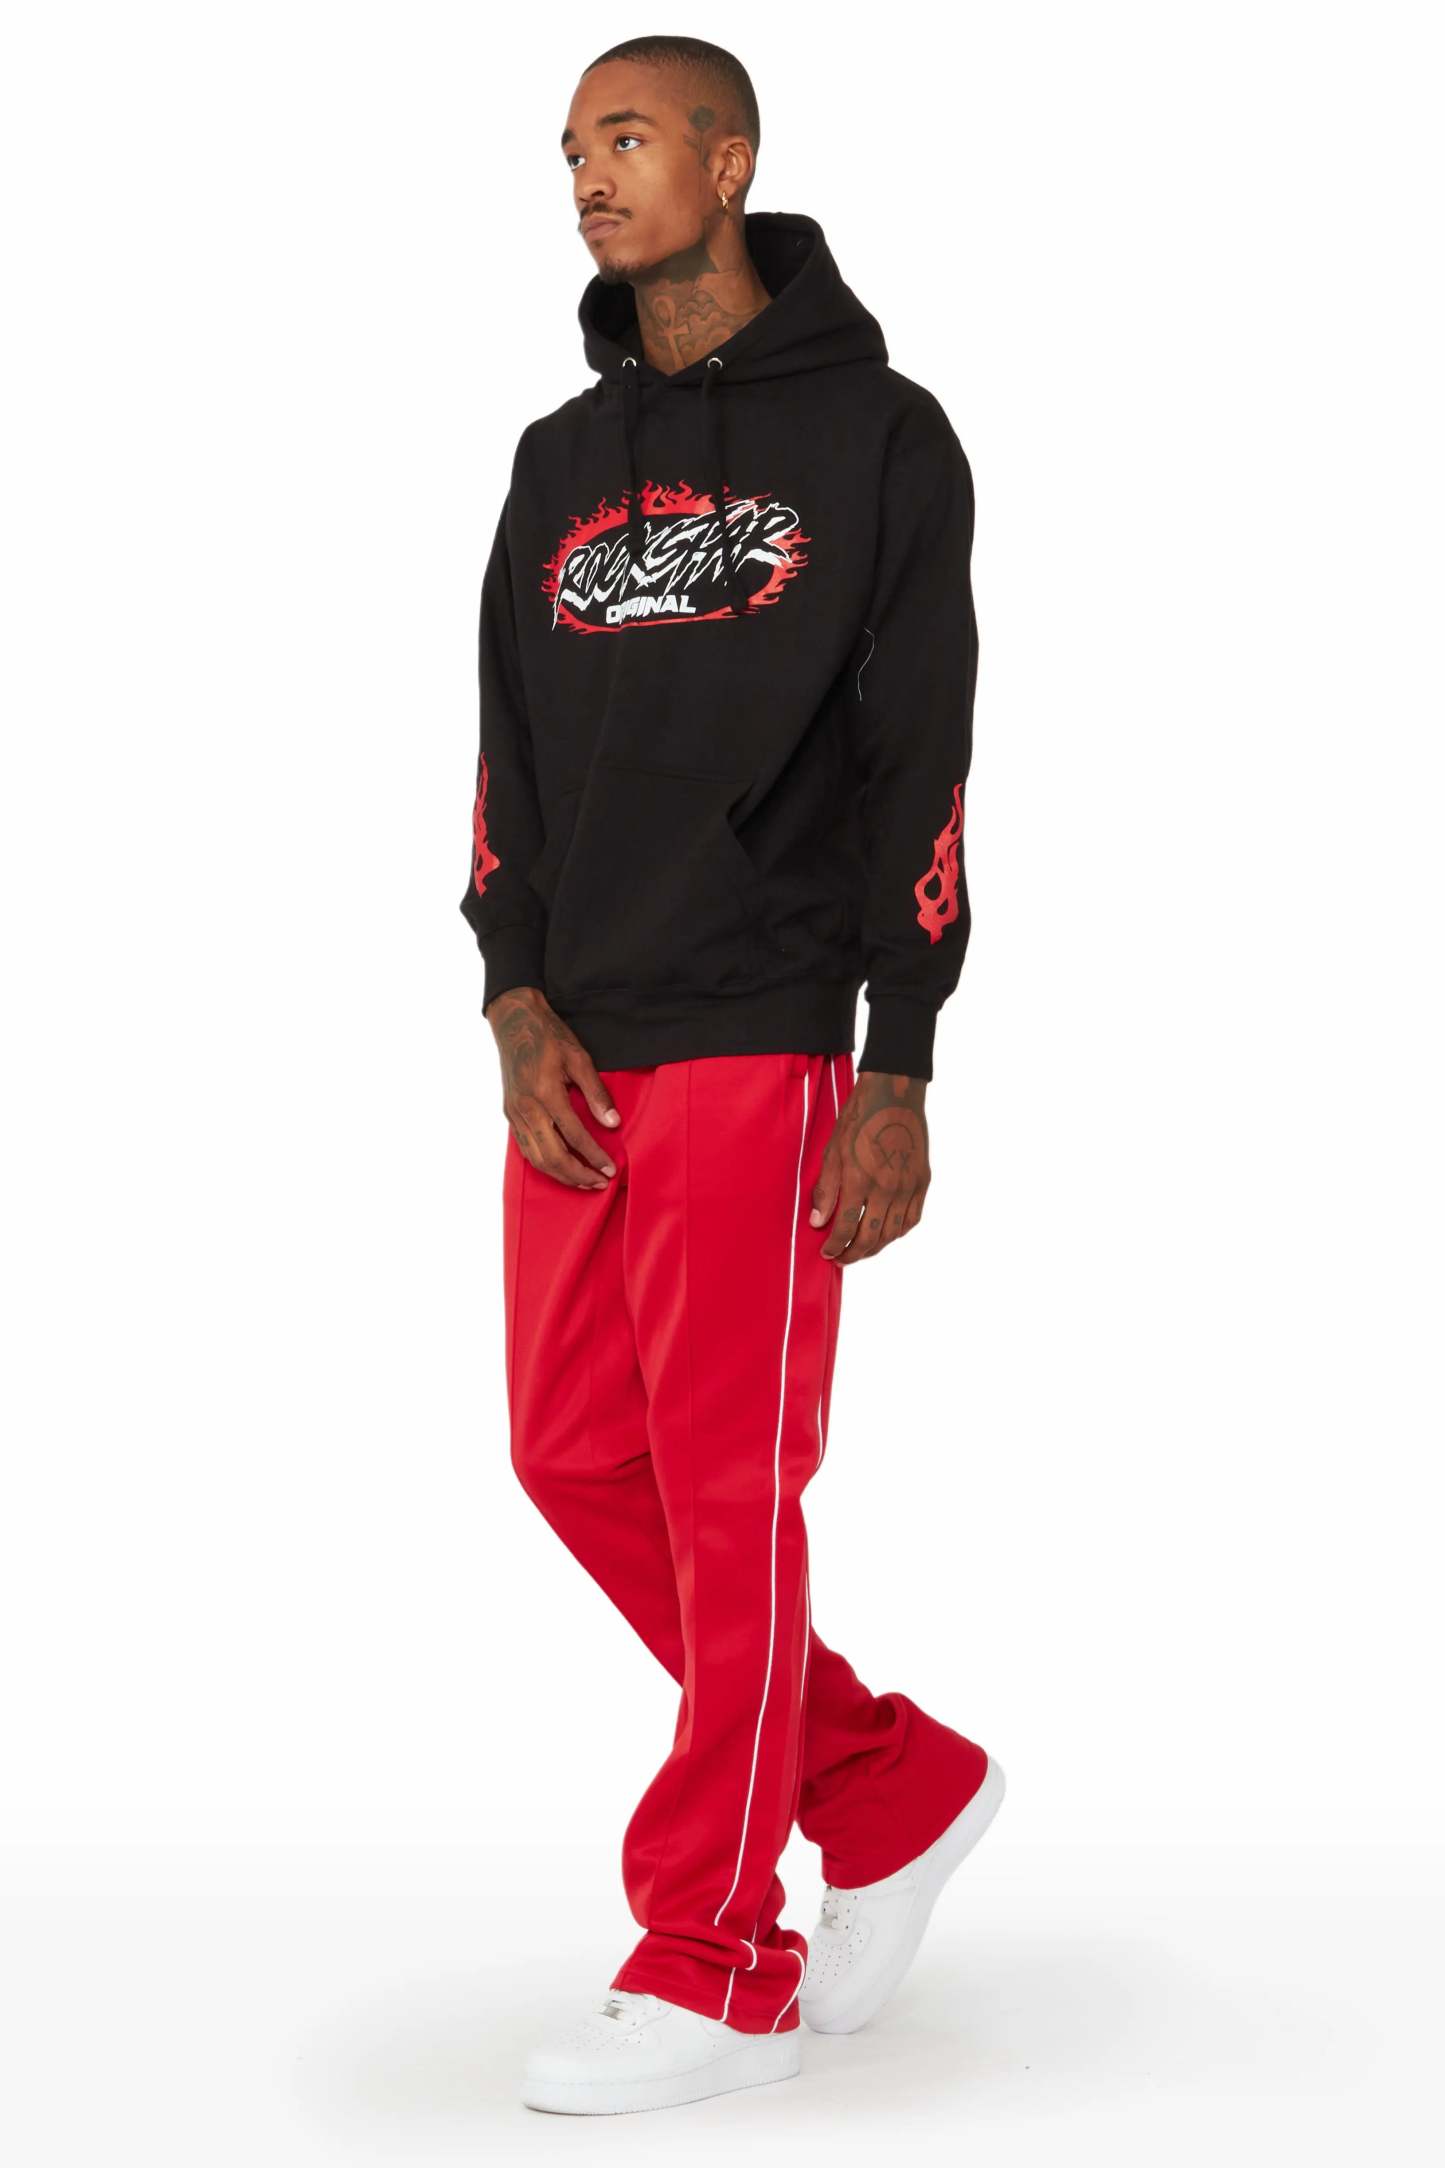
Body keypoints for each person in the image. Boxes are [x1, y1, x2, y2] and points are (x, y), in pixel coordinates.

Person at [460, 34, 1003, 2117]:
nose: (588, 179)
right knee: (570, 1454)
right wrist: (512, 996)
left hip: (764, 1029)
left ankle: (714, 1955)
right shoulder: (553, 460)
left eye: (627, 138)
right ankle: (885, 1780)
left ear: (730, 160)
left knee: (720, 1484)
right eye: (569, 149)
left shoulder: (881, 438)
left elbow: (920, 755)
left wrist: (901, 1056)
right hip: (578, 1040)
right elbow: (504, 750)